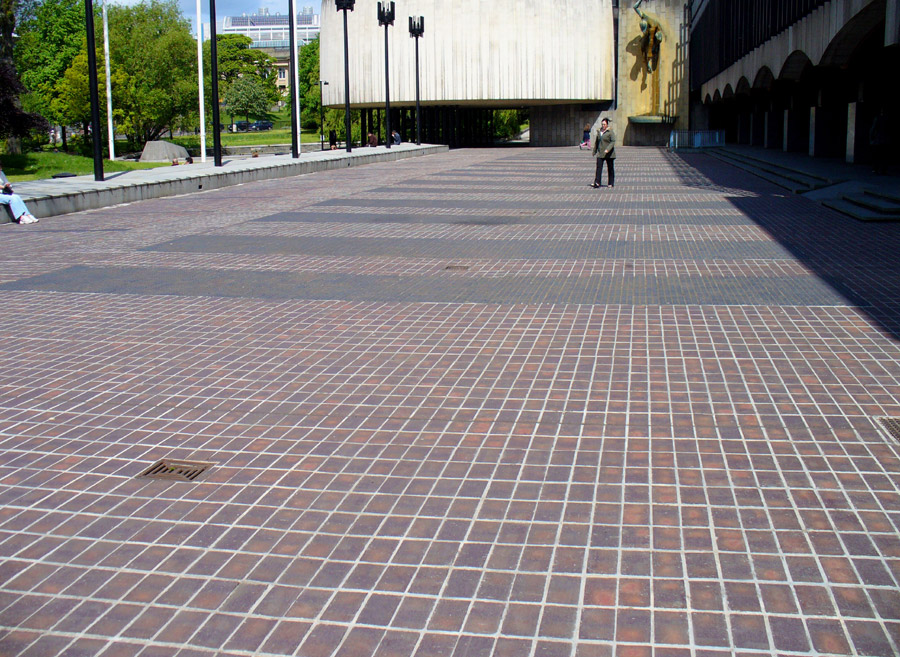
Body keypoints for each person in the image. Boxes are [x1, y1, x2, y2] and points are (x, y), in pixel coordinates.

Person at [590, 117, 616, 188]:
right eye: (602, 124)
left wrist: (608, 149)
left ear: (607, 124)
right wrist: (594, 151)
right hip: (601, 152)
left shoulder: (610, 132)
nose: (603, 126)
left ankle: (611, 183)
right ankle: (597, 182)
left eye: (604, 124)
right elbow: (597, 142)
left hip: (609, 154)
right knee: (599, 168)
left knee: (610, 168)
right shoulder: (599, 131)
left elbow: (613, 141)